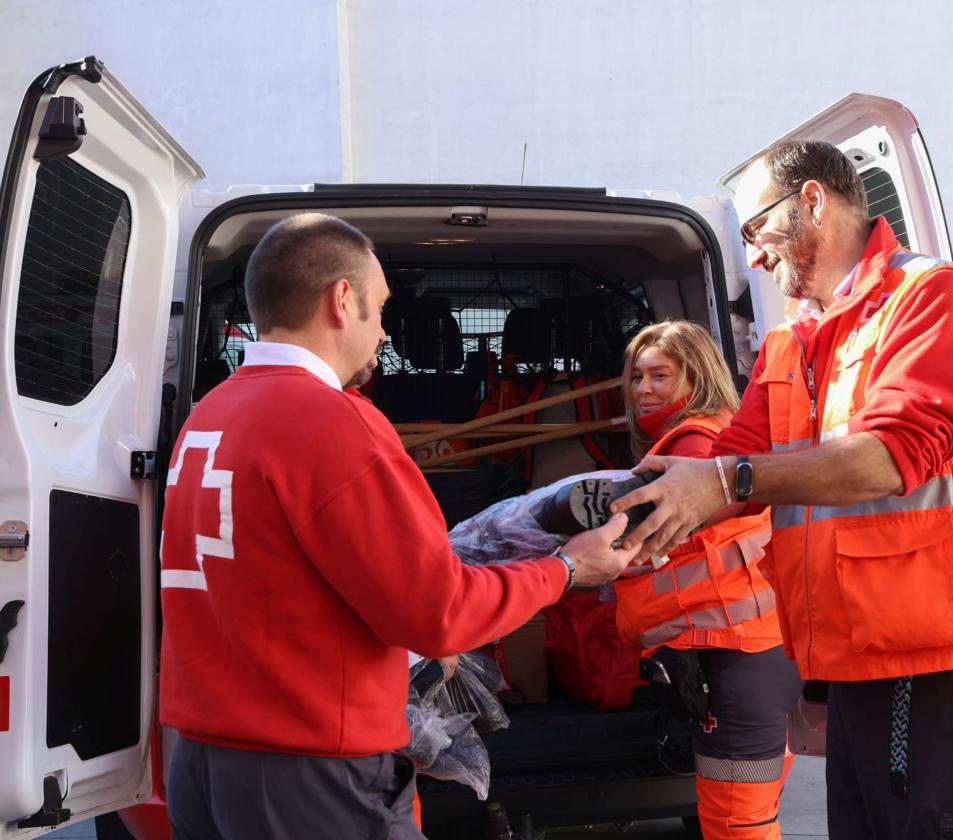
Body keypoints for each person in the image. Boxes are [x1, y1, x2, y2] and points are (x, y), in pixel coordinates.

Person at [159, 212, 641, 840]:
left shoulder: (209, 415)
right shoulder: (333, 421)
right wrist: (567, 569)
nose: (384, 334)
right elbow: (436, 613)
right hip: (309, 775)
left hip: (200, 760)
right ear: (342, 300)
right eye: (381, 309)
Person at [611, 141, 953, 840]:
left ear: (811, 202)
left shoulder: (933, 298)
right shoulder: (791, 342)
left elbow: (890, 457)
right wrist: (611, 512)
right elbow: (728, 464)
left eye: (754, 230)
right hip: (849, 653)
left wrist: (720, 480)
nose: (754, 257)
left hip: (937, 654)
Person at [612, 321, 802, 840]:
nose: (644, 390)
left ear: (696, 379)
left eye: (661, 376)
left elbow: (644, 541)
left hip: (736, 657)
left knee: (736, 823)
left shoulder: (695, 448)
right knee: (739, 817)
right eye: (637, 377)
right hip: (746, 650)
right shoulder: (717, 432)